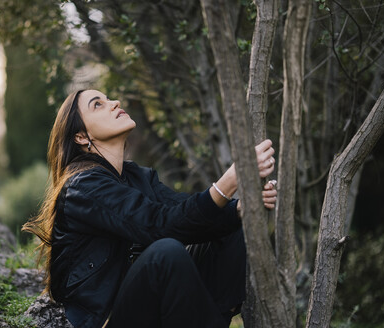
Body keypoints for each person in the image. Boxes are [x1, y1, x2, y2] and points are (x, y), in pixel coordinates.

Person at [23, 89, 278, 328]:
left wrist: (240, 209)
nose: (115, 103)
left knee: (231, 224)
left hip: (151, 309)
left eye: (108, 98)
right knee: (165, 253)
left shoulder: (138, 176)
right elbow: (159, 224)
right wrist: (231, 180)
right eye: (98, 105)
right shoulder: (83, 187)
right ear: (81, 136)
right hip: (107, 321)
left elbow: (185, 213)